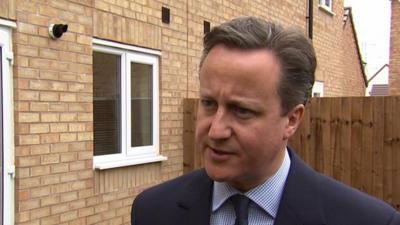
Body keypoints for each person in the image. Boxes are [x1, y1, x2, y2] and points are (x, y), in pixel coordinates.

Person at [131, 16, 400, 225]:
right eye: (209, 103)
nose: (216, 130)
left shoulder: (367, 220)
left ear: (292, 120)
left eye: (242, 111)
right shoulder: (153, 210)